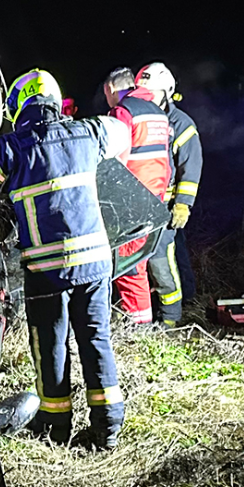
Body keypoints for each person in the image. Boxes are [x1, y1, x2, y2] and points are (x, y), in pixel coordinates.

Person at [0, 69, 131, 449]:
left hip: (47, 271)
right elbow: (123, 134)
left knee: (50, 346)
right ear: (56, 103)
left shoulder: (14, 147)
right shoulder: (88, 132)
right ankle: (107, 429)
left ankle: (55, 427)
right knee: (96, 341)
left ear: (18, 107)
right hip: (94, 265)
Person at [102, 66, 173, 325]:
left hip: (129, 199)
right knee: (137, 263)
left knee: (128, 267)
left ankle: (138, 328)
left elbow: (115, 161)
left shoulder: (123, 111)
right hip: (155, 198)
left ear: (110, 89)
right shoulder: (158, 113)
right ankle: (137, 323)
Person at [136, 62, 203, 325]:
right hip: (139, 206)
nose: (146, 97)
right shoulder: (141, 118)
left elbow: (191, 165)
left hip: (164, 210)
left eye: (151, 92)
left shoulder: (181, 124)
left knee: (162, 265)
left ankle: (171, 320)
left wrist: (183, 204)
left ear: (166, 92)